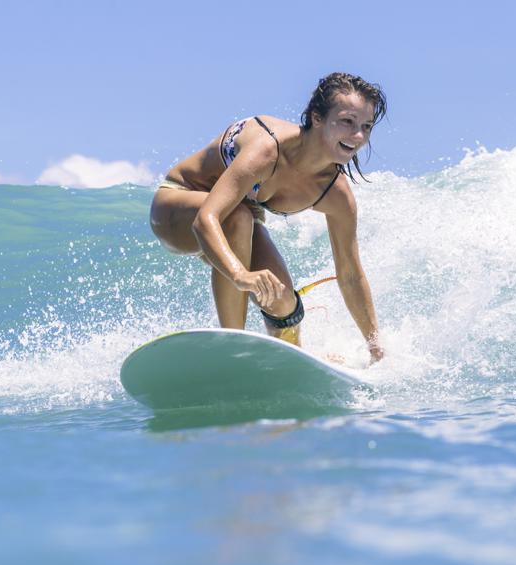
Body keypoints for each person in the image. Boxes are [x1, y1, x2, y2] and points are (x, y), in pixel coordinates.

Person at [149, 72, 386, 363]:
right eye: (347, 122)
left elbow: (350, 274)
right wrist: (240, 275)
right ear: (317, 118)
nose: (358, 136)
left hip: (239, 221)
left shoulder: (335, 194)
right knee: (239, 217)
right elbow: (206, 219)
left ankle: (289, 361)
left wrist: (374, 345)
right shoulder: (268, 150)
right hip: (177, 207)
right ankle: (233, 351)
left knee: (284, 302)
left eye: (366, 126)